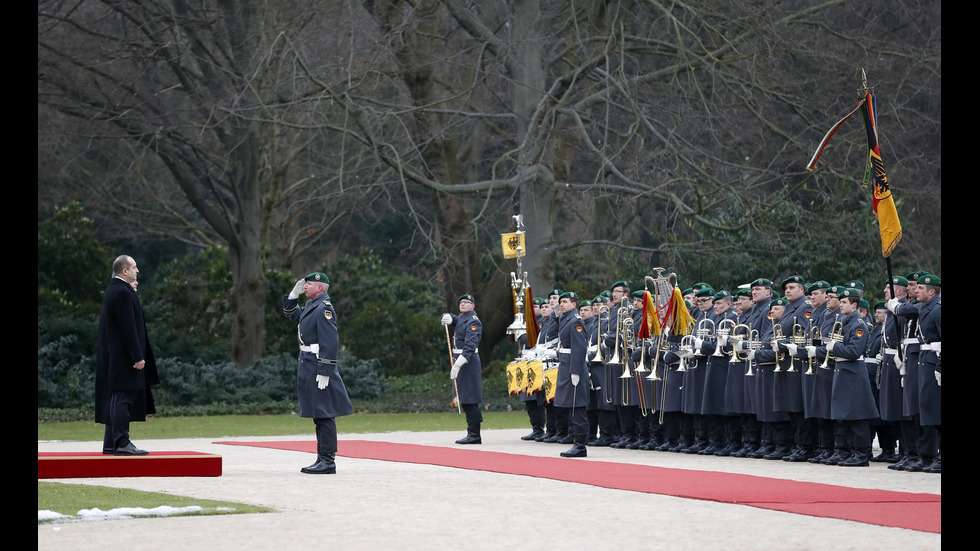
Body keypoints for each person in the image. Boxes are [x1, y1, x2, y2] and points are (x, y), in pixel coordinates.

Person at [283, 272, 353, 474]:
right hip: (308, 364)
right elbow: (292, 315)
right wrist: (292, 296)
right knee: (319, 414)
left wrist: (325, 370)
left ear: (320, 288)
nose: (304, 287)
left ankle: (327, 461)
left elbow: (330, 342)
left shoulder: (324, 309)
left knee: (324, 414)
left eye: (309, 284)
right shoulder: (312, 307)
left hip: (317, 366)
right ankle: (322, 458)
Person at [95, 255, 160, 456]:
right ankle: (122, 442)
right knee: (123, 397)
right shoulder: (122, 293)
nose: (137, 270)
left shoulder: (116, 290)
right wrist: (137, 356)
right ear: (125, 271)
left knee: (116, 396)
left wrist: (131, 293)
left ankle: (110, 443)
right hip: (125, 358)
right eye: (134, 267)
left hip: (115, 356)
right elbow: (128, 328)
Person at [442, 294, 484, 444]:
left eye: (467, 302)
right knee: (464, 398)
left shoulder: (474, 322)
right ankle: (471, 432)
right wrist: (447, 317)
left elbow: (470, 346)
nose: (463, 304)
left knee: (469, 398)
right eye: (461, 302)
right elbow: (456, 320)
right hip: (461, 359)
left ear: (473, 306)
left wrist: (458, 364)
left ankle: (474, 434)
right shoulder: (463, 318)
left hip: (467, 361)